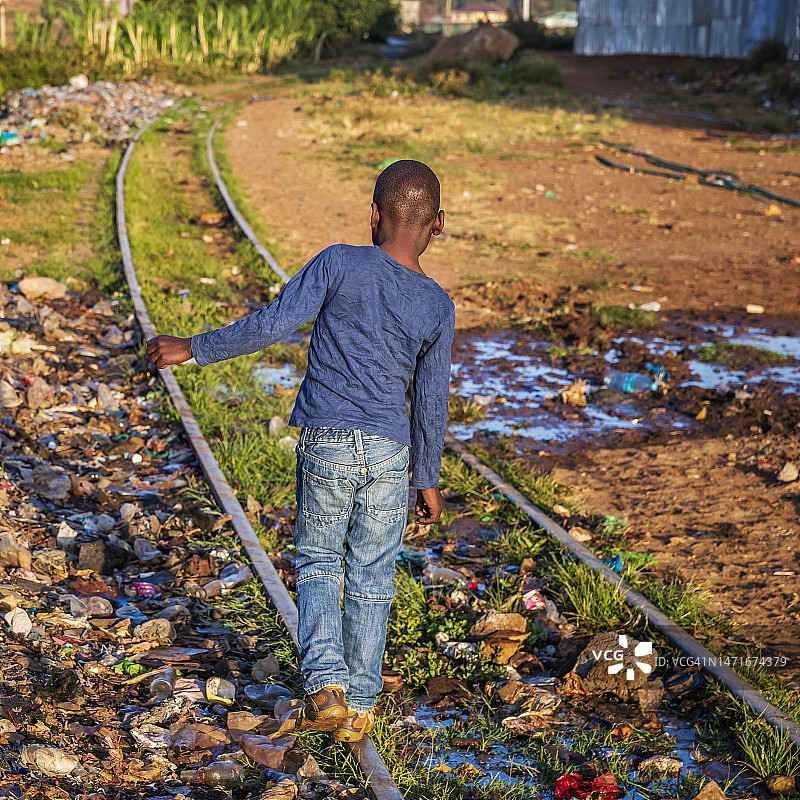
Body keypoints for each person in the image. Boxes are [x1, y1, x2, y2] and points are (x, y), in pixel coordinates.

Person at [146, 159, 455, 743]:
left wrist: (192, 347)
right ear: (437, 223)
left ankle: (327, 686)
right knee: (373, 575)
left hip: (327, 440)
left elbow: (272, 325)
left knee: (317, 561)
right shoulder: (437, 305)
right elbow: (431, 400)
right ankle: (360, 708)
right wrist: (427, 476)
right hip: (391, 452)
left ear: (373, 215)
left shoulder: (338, 261)